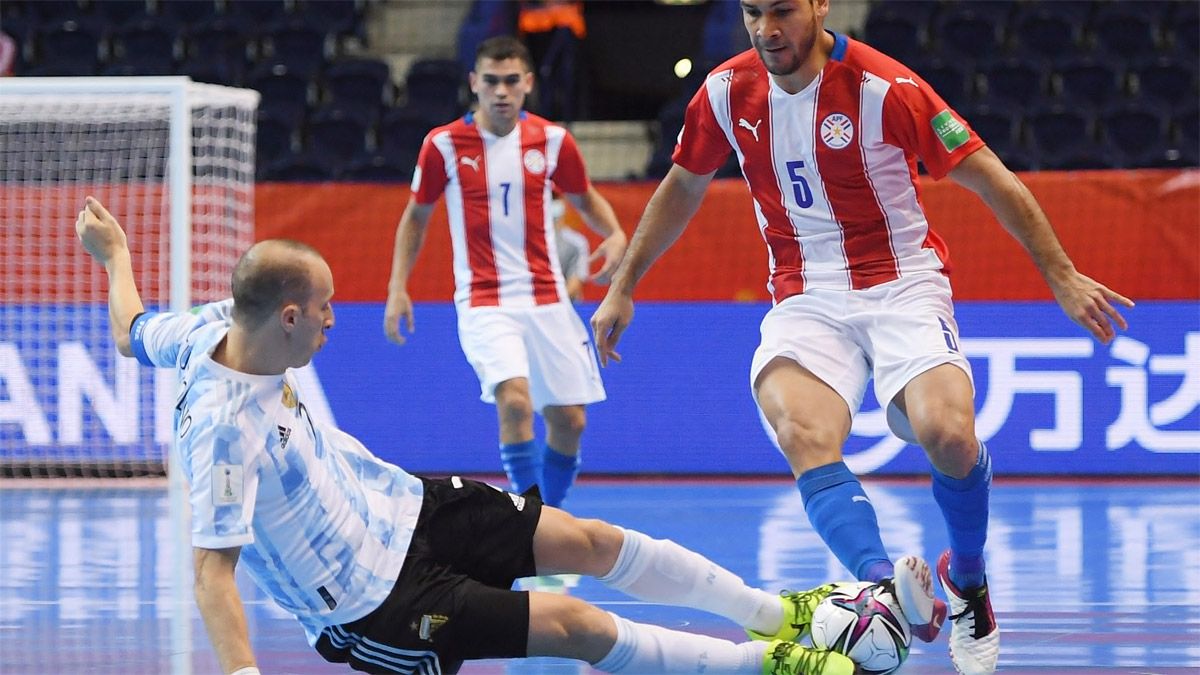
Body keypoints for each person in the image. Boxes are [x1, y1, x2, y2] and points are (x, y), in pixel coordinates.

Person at [75, 195, 875, 675]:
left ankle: (777, 612)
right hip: (376, 603)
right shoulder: (223, 431)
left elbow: (130, 329)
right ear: (287, 316)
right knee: (578, 626)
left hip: (401, 507)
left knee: (589, 539)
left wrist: (115, 256)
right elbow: (212, 574)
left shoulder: (209, 326)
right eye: (323, 307)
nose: (332, 320)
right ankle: (767, 662)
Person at [589, 2, 1135, 675]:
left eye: (783, 10)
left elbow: (990, 175)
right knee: (801, 430)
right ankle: (885, 588)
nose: (766, 29)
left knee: (950, 437)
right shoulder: (726, 91)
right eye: (753, 12)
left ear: (820, 5)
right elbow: (682, 184)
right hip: (804, 295)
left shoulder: (886, 88)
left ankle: (968, 580)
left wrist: (1061, 275)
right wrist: (624, 283)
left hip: (902, 284)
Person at [384, 36, 627, 509]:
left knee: (570, 421)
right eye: (491, 81)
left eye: (511, 81)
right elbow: (416, 217)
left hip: (549, 298)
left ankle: (549, 515)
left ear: (528, 84)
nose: (501, 91)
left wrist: (615, 232)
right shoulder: (443, 145)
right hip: (483, 300)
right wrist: (398, 287)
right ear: (474, 82)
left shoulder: (552, 140)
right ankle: (529, 519)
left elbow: (584, 198)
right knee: (515, 402)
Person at [552, 197, 591, 301]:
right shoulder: (524, 240)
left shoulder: (576, 243)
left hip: (565, 305)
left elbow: (574, 286)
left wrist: (549, 303)